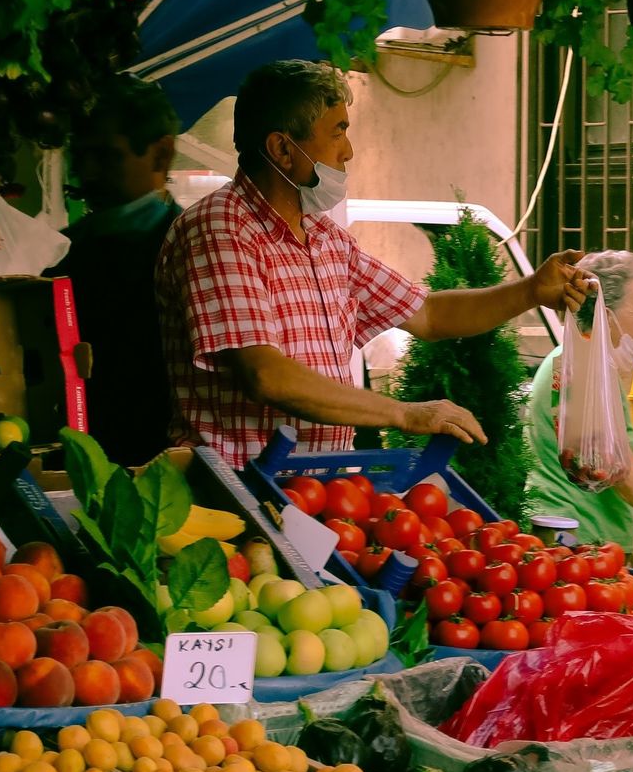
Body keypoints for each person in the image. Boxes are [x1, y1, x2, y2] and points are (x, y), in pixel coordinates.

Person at [155, 60, 588, 468]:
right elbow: (264, 374)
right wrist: (402, 414)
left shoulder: (326, 240)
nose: (349, 151)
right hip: (236, 497)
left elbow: (429, 313)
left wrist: (530, 291)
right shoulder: (220, 228)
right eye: (337, 132)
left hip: (316, 492)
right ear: (282, 149)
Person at [523, 250, 633, 562]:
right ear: (605, 316)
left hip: (594, 542)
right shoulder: (577, 368)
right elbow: (606, 462)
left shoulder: (588, 365)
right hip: (574, 546)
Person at [53, 75, 184, 466]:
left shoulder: (191, 252)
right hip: (69, 461)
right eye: (81, 157)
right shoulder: (58, 254)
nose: (88, 174)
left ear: (161, 156)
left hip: (161, 465)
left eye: (107, 157)